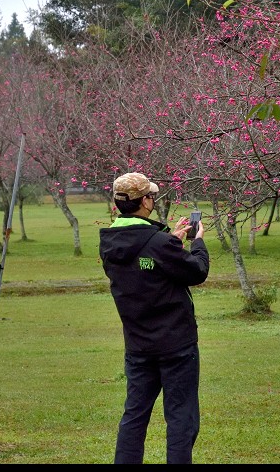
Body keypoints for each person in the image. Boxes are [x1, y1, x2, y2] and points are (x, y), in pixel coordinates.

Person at [99, 172, 210, 464]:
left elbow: (141, 265)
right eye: (151, 195)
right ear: (145, 202)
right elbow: (196, 271)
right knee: (180, 418)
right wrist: (196, 243)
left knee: (134, 416)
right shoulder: (159, 244)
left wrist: (169, 241)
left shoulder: (110, 243)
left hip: (138, 346)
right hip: (177, 346)